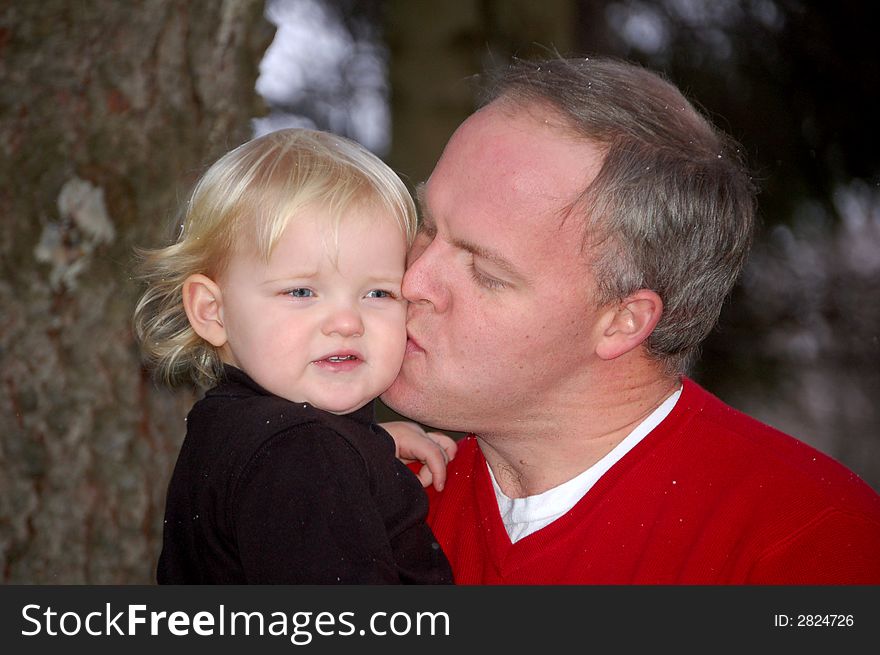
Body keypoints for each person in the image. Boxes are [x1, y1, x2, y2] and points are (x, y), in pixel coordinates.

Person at [379, 56, 880, 584]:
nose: (412, 281)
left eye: (485, 271)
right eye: (427, 225)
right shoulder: (379, 490)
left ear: (623, 321)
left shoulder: (805, 546)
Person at [132, 127, 453, 584]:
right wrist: (334, 453)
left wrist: (365, 446)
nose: (347, 322)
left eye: (378, 292)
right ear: (212, 310)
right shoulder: (302, 455)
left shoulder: (234, 429)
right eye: (301, 291)